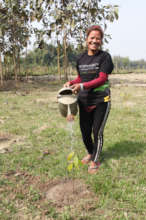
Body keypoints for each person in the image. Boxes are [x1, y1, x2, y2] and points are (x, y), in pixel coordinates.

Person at [64, 25, 114, 174]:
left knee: (96, 131)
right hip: (84, 100)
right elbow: (81, 77)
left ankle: (95, 159)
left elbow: (102, 78)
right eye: (92, 37)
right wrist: (72, 83)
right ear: (86, 40)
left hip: (101, 100)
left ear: (101, 41)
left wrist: (81, 86)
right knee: (85, 131)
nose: (95, 41)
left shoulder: (105, 57)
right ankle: (90, 151)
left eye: (98, 38)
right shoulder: (80, 58)